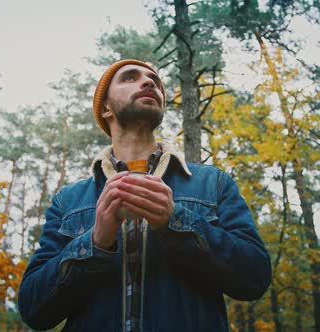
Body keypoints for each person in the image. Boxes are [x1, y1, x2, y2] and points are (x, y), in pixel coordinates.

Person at [18, 59, 271, 331]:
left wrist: (176, 221)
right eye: (130, 77)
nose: (149, 82)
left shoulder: (214, 183)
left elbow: (254, 278)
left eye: (154, 80)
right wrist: (95, 242)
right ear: (105, 108)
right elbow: (34, 310)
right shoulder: (67, 201)